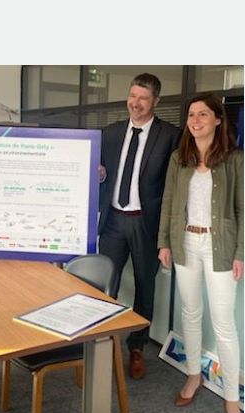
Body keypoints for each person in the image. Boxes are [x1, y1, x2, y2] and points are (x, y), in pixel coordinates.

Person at [157, 93, 244, 413]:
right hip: (185, 243)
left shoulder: (236, 160)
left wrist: (242, 252)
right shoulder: (180, 158)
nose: (195, 120)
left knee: (224, 324)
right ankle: (193, 375)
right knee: (190, 314)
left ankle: (231, 401)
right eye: (191, 114)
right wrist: (164, 241)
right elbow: (167, 202)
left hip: (219, 245)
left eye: (203, 114)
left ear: (218, 120)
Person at [97, 73, 181, 379]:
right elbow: (102, 175)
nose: (136, 103)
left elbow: (176, 187)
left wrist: (167, 237)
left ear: (155, 101)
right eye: (133, 96)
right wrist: (100, 175)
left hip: (147, 226)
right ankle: (102, 344)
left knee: (145, 289)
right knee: (106, 286)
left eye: (143, 98)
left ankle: (136, 348)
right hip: (113, 223)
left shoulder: (171, 136)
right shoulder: (110, 133)